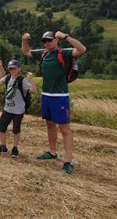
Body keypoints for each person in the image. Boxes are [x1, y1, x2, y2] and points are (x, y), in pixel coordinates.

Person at [22, 31, 86, 174]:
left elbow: (82, 49)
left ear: (56, 40)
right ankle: (52, 152)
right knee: (50, 125)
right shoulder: (44, 53)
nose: (46, 43)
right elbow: (26, 51)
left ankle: (68, 161)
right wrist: (24, 39)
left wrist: (66, 37)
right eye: (44, 41)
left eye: (49, 40)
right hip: (46, 95)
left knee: (65, 129)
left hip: (60, 96)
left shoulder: (64, 53)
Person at [0, 60, 36, 157]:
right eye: (10, 68)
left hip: (18, 110)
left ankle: (15, 148)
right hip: (7, 109)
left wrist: (31, 79)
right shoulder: (7, 78)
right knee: (1, 128)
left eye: (14, 68)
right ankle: (3, 147)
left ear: (19, 69)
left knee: (16, 130)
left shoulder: (23, 80)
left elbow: (34, 90)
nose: (12, 70)